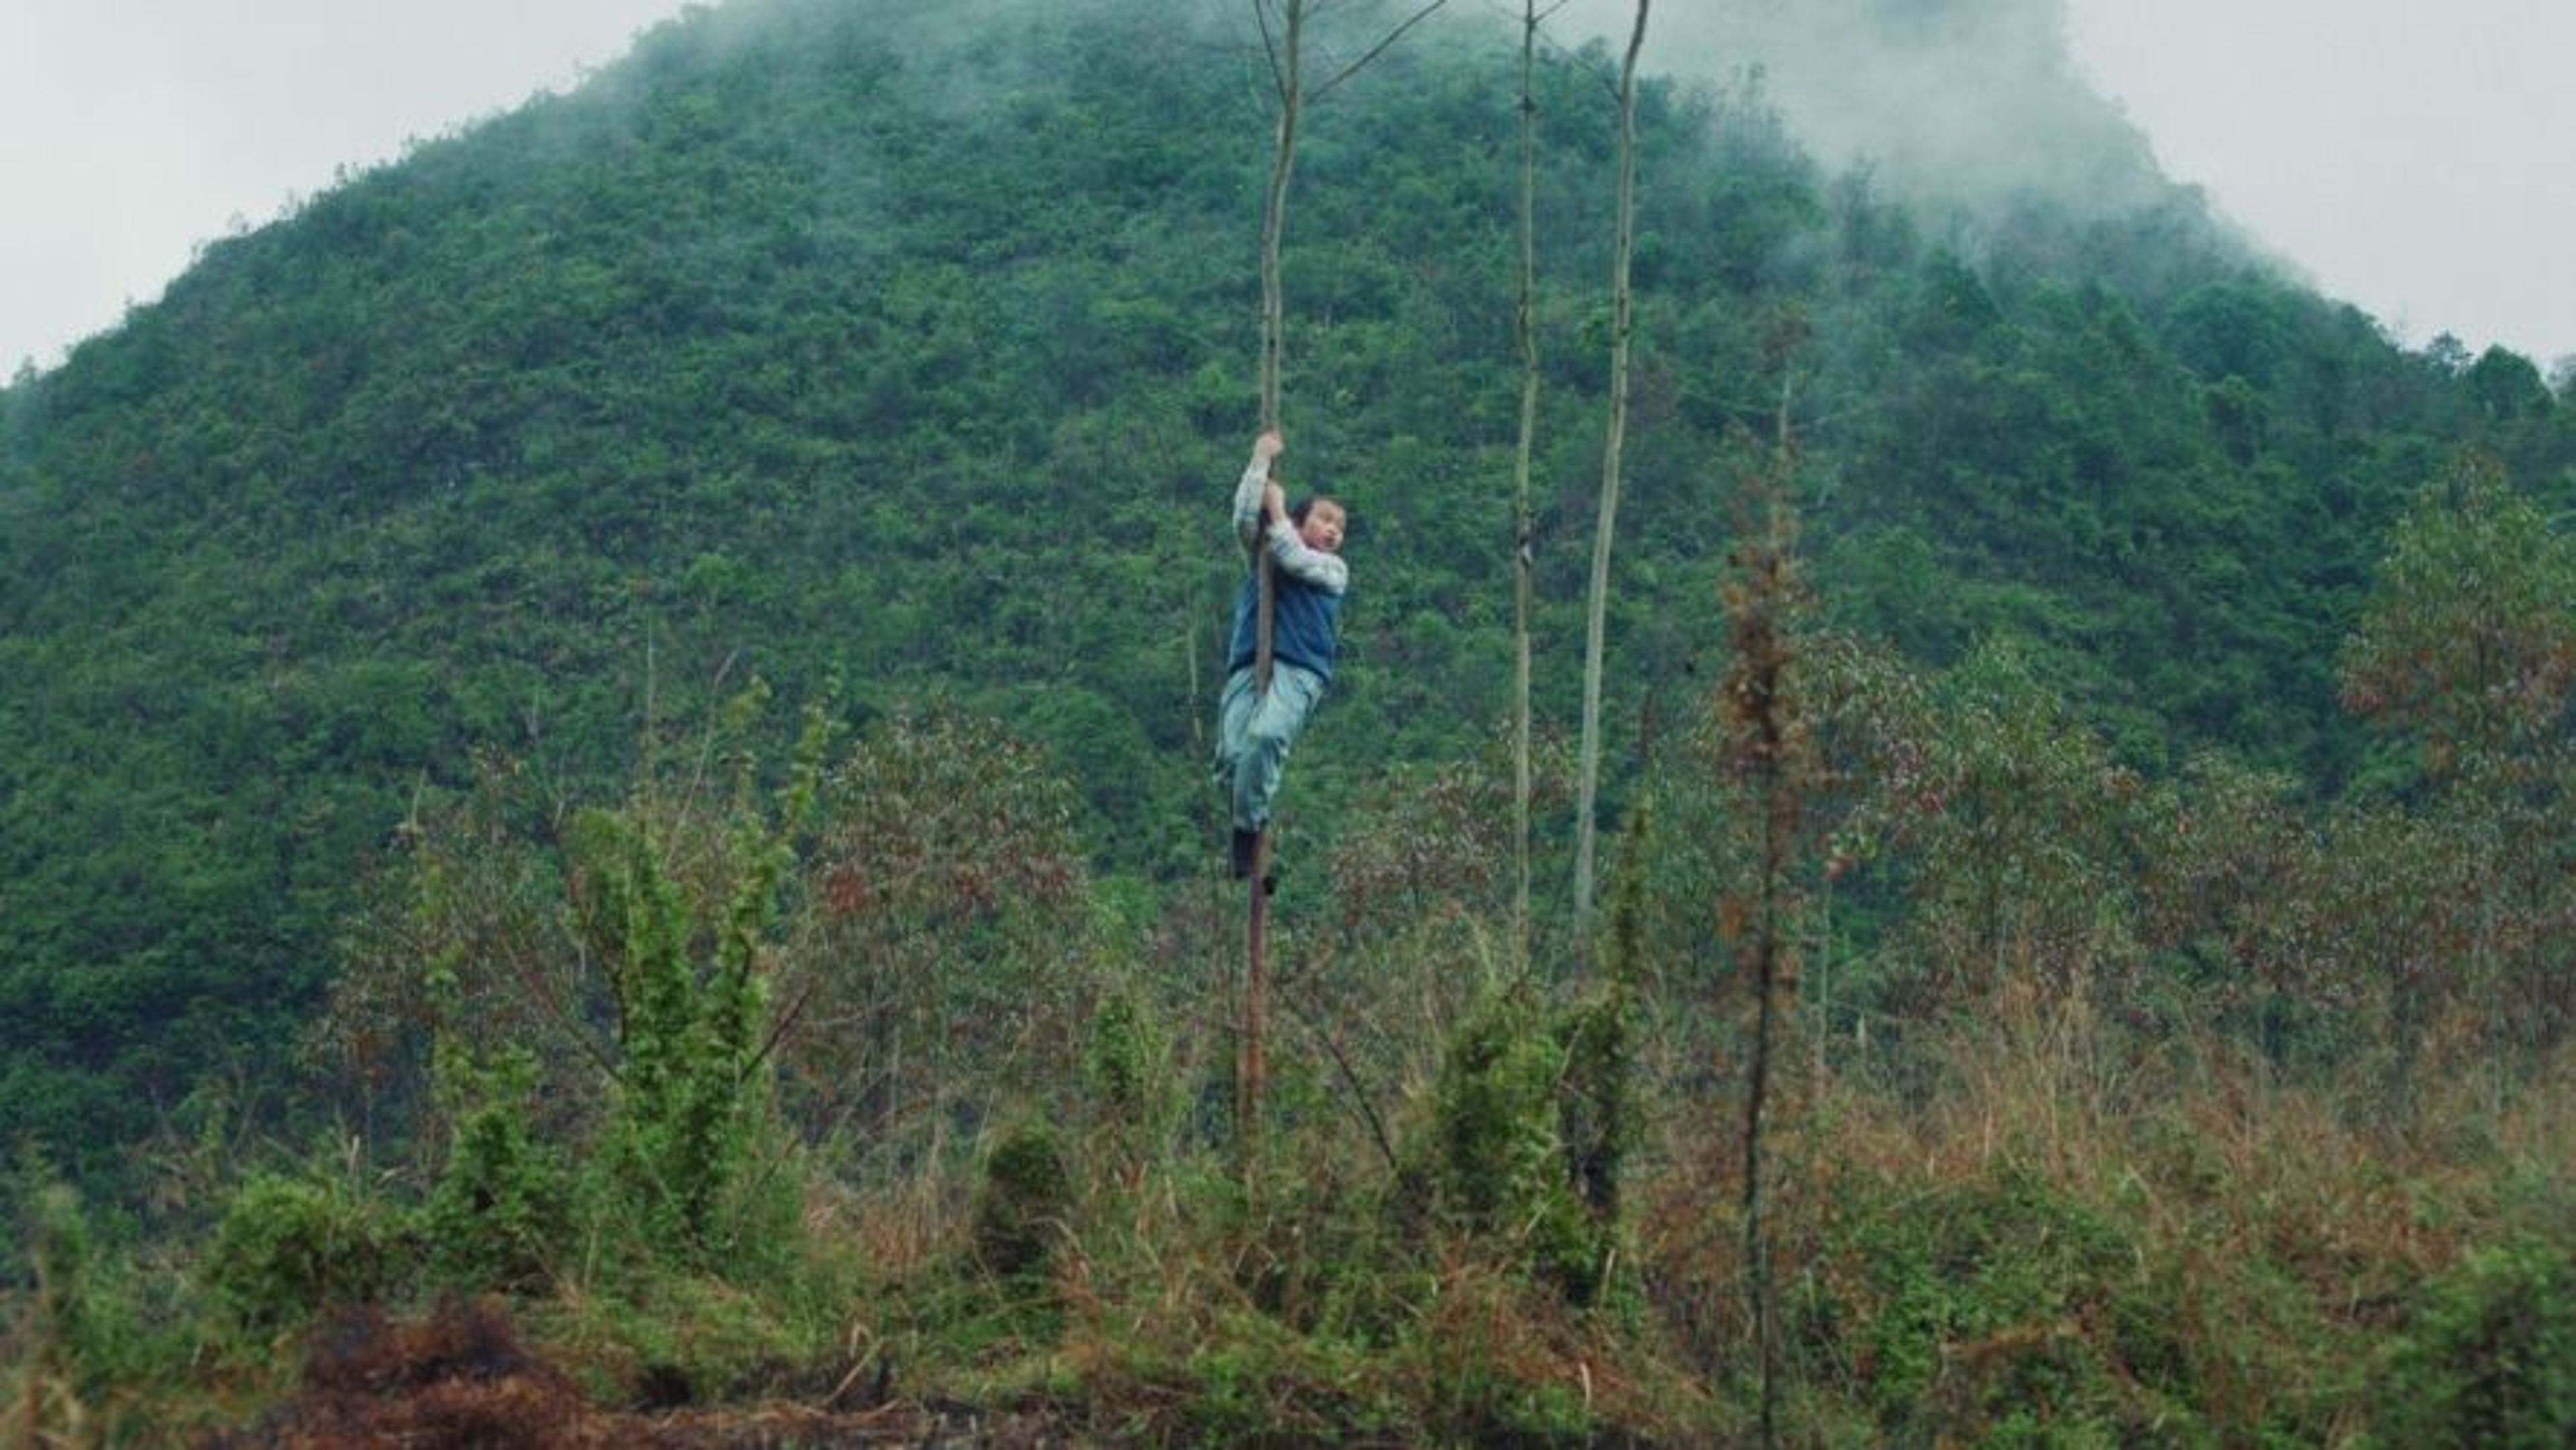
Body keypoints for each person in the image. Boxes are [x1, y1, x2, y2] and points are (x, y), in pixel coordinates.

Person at [1214, 429, 1348, 882]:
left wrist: (1277, 510)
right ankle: (1253, 843)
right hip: (1248, 661)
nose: (1334, 530)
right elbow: (1243, 521)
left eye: (1340, 527)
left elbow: (1295, 557)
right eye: (1326, 519)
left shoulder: (1332, 570)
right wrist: (1260, 462)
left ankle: (1247, 833)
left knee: (1266, 739)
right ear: (1300, 517)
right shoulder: (1266, 551)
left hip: (1300, 669)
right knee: (1234, 757)